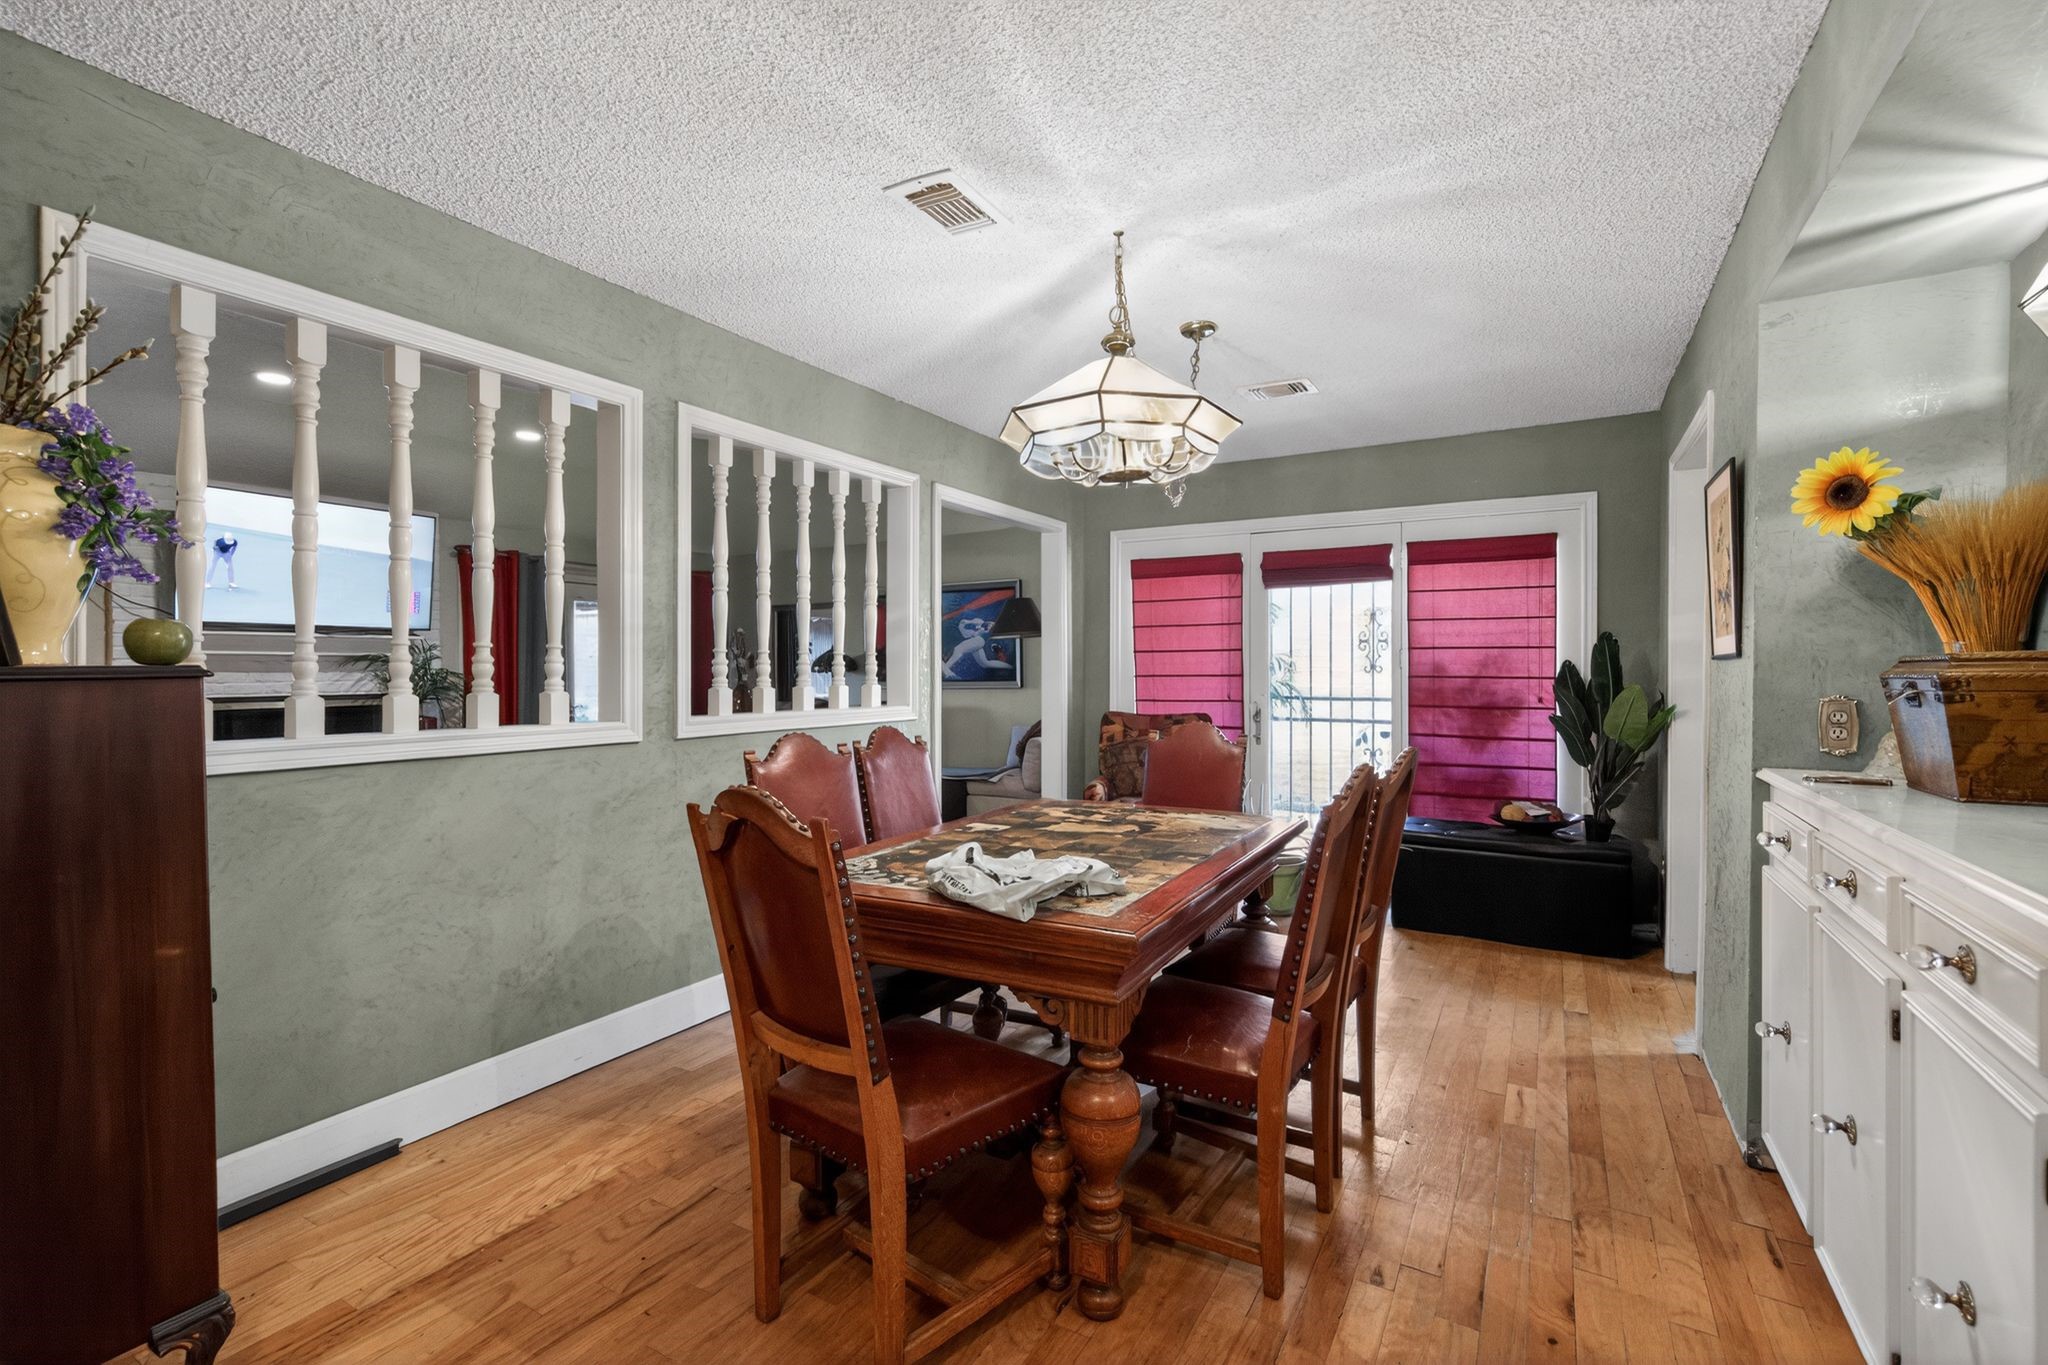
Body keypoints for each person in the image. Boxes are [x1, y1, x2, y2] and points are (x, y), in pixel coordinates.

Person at [943, 616, 1011, 680]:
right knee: (984, 663)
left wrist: (972, 624)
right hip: (977, 642)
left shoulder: (977, 622)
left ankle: (947, 671)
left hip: (979, 640)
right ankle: (1010, 666)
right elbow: (967, 634)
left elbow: (988, 625)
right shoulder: (962, 628)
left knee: (958, 649)